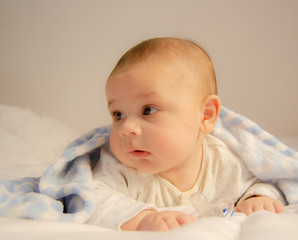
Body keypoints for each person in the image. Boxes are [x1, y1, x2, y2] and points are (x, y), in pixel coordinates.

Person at [88, 37, 284, 231]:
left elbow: (263, 181)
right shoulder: (117, 167)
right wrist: (143, 219)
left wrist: (258, 198)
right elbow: (90, 199)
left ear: (206, 115)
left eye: (148, 110)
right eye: (118, 115)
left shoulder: (224, 162)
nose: (126, 128)